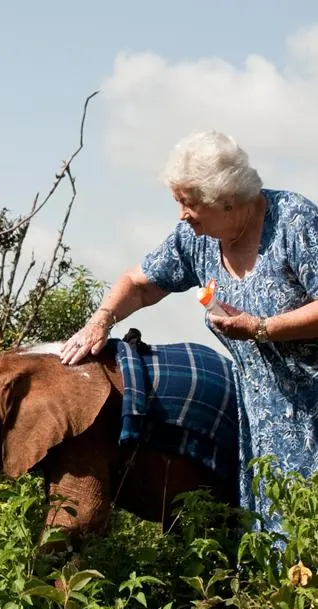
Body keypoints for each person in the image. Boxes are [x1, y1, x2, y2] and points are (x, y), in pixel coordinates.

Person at [60, 130, 318, 533]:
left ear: (228, 201)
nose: (182, 213)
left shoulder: (294, 221)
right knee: (275, 536)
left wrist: (263, 328)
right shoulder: (195, 239)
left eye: (190, 203)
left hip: (313, 404)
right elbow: (142, 283)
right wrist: (102, 319)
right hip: (262, 414)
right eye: (178, 201)